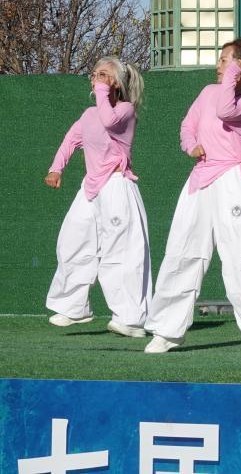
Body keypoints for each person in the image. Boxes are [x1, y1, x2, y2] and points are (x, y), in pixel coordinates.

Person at [145, 39, 241, 353]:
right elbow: (188, 125)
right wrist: (190, 145)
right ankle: (166, 330)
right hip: (200, 179)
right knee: (182, 251)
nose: (218, 65)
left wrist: (233, 75)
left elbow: (226, 110)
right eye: (220, 60)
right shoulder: (208, 92)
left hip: (234, 180)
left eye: (225, 60)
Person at [45, 57, 151, 338]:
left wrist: (103, 91)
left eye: (103, 74)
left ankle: (131, 320)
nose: (95, 78)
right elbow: (71, 140)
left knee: (121, 252)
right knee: (72, 240)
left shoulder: (126, 110)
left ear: (115, 82)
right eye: (94, 74)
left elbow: (109, 120)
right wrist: (56, 169)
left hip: (117, 185)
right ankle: (74, 306)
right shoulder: (88, 114)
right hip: (90, 187)